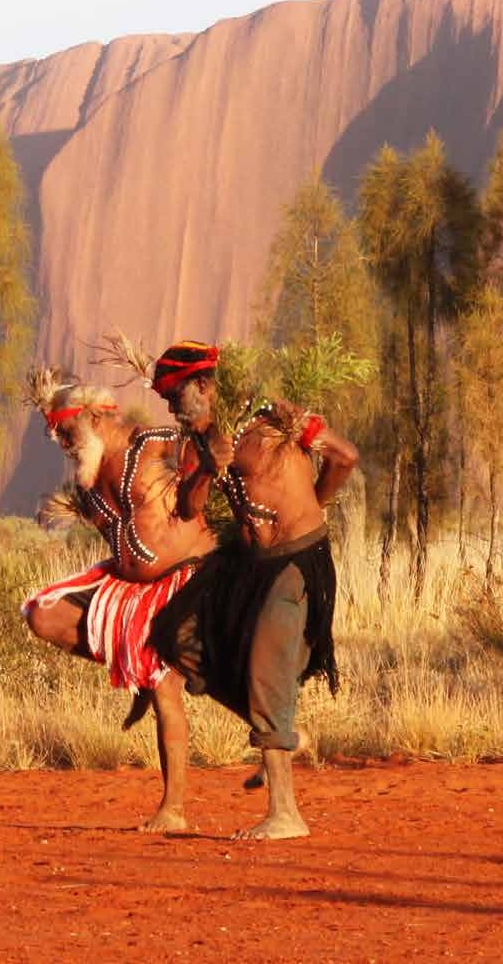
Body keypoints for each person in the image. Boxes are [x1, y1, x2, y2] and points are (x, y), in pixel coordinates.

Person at [144, 340, 360, 841]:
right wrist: (207, 465)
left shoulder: (273, 423)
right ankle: (281, 731)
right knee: (177, 636)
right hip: (246, 564)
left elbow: (345, 457)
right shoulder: (205, 440)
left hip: (295, 563)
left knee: (267, 664)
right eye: (168, 401)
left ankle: (286, 813)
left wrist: (313, 504)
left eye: (177, 397)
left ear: (203, 386)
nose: (173, 409)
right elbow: (190, 506)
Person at [21, 368, 219, 831]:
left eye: (66, 429)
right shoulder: (88, 485)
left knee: (165, 688)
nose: (62, 441)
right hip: (130, 590)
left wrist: (206, 468)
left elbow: (203, 457)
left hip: (184, 579)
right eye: (55, 434)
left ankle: (173, 810)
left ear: (95, 415)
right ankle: (133, 665)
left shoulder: (151, 440)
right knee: (42, 615)